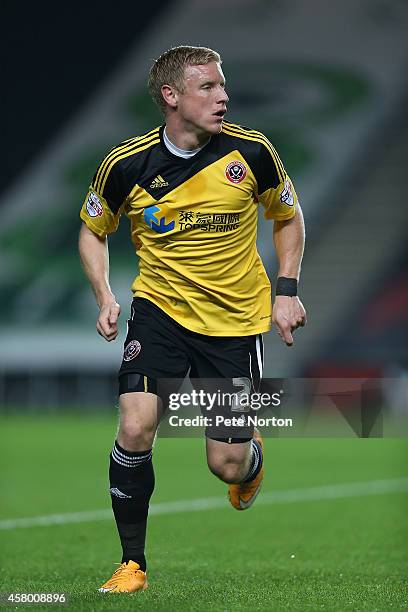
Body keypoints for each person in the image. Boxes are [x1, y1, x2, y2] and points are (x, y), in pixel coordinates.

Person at [78, 45, 306, 594]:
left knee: (224, 464)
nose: (223, 96)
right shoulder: (126, 165)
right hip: (158, 312)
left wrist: (287, 291)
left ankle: (248, 460)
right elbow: (92, 229)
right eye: (207, 87)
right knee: (134, 427)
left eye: (222, 86)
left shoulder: (252, 153)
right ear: (171, 97)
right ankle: (133, 564)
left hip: (233, 322)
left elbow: (288, 216)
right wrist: (105, 295)